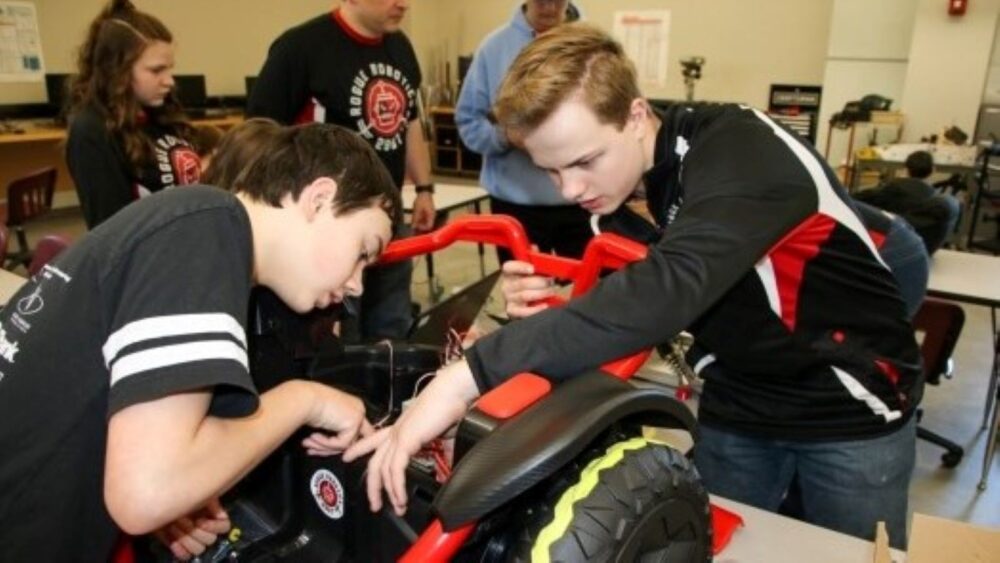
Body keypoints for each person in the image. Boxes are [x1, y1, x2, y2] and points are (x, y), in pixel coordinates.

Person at [347, 24, 923, 549]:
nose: (570, 190)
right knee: (726, 544)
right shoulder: (615, 198)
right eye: (551, 170)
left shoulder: (745, 152)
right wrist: (555, 309)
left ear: (638, 115)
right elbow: (633, 319)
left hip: (847, 404)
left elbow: (670, 288)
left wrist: (466, 377)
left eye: (585, 160)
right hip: (737, 400)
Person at [0, 121, 401, 562]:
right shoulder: (209, 229)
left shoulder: (192, 223)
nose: (358, 285)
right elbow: (145, 492)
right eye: (364, 250)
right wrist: (306, 399)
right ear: (319, 198)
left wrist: (186, 484)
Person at [247, 0, 434, 341]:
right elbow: (258, 137)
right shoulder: (301, 47)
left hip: (389, 217)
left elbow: (409, 124)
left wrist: (424, 188)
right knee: (339, 334)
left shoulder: (401, 47)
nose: (403, 3)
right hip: (333, 223)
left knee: (392, 326)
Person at [455, 0, 592, 263]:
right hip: (514, 208)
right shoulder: (493, 48)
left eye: (558, 1)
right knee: (524, 298)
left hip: (584, 203)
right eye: (542, 0)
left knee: (587, 297)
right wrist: (505, 136)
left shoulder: (593, 44)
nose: (550, 8)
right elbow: (469, 121)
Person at [66, 0, 203, 229]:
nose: (170, 81)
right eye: (156, 70)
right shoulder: (92, 131)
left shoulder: (160, 112)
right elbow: (110, 228)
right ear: (117, 69)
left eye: (170, 69)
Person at [854, 149, 961, 254]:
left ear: (906, 168)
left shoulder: (893, 188)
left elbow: (861, 198)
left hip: (888, 241)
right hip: (918, 246)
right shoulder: (935, 199)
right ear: (933, 170)